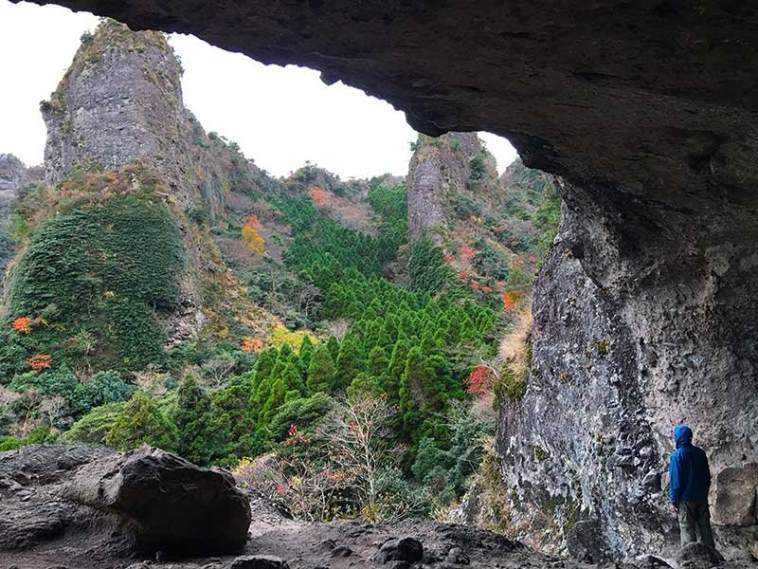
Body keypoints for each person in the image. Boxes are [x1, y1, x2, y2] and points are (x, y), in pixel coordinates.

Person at [669, 424, 715, 549]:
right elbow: (707, 476)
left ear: (678, 438)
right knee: (705, 528)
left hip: (685, 499)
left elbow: (676, 482)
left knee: (687, 528)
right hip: (701, 497)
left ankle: (691, 560)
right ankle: (713, 556)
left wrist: (674, 501)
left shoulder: (677, 456)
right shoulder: (700, 453)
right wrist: (704, 493)